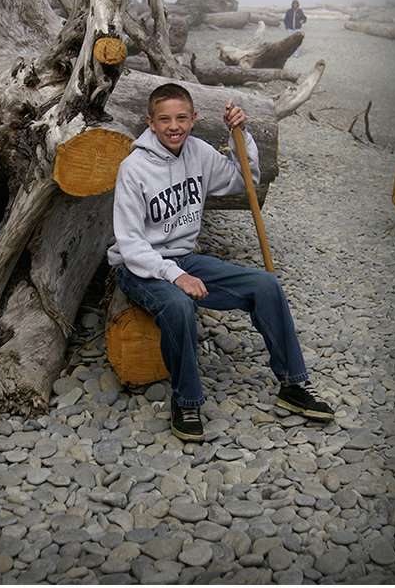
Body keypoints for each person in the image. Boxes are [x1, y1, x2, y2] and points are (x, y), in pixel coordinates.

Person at [107, 83, 334, 441]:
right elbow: (131, 244)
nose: (174, 126)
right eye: (164, 119)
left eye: (182, 117)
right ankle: (186, 401)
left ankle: (293, 385)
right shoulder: (133, 169)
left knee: (266, 285)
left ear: (194, 119)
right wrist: (174, 276)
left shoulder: (198, 152)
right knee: (180, 305)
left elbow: (244, 180)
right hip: (140, 268)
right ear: (150, 123)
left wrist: (239, 133)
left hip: (185, 259)